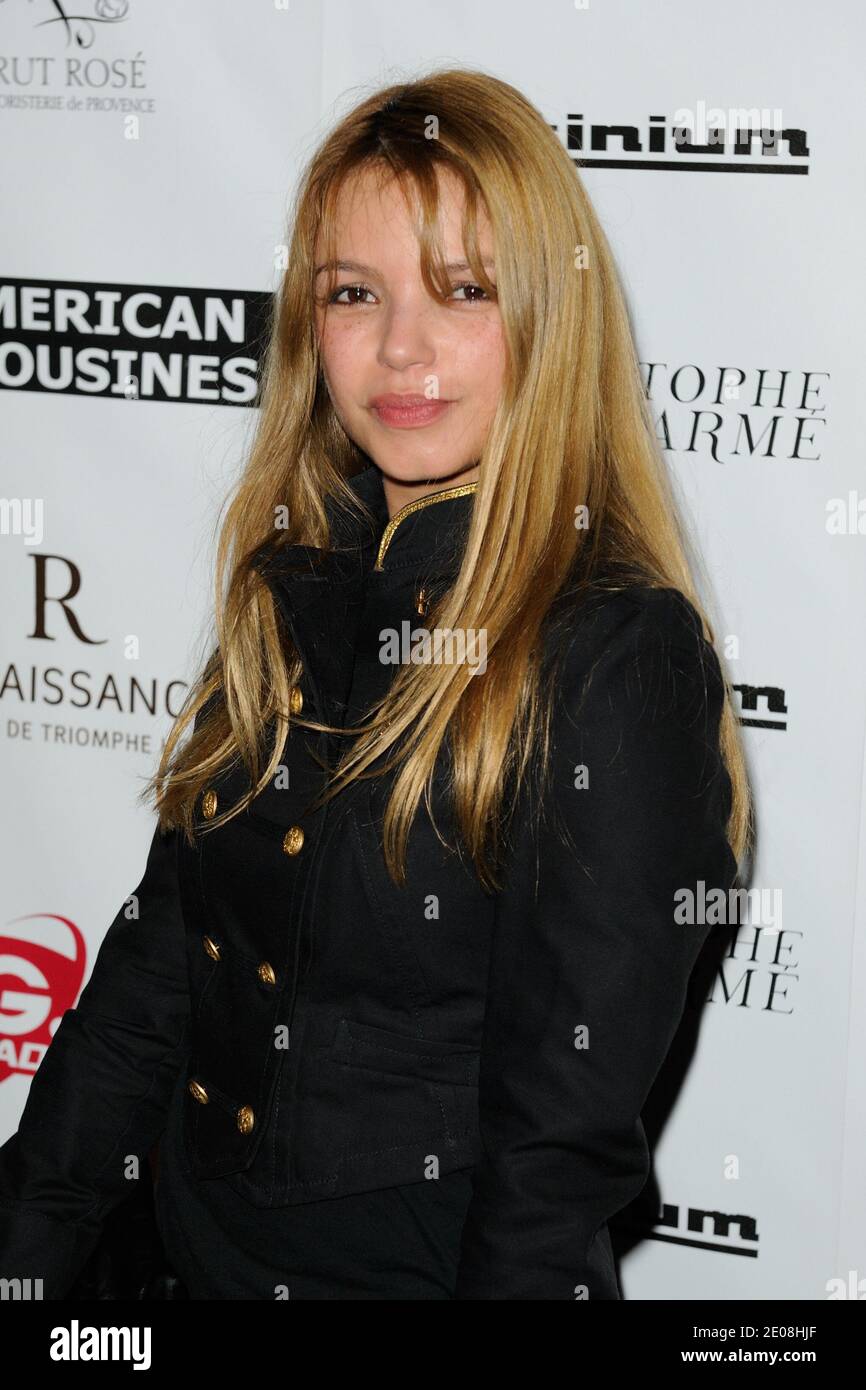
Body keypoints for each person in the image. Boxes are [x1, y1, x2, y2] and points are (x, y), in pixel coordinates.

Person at [0, 67, 751, 1300]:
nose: (400, 347)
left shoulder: (616, 657)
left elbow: (549, 1162)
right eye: (355, 293)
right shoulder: (292, 590)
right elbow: (151, 983)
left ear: (548, 320)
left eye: (463, 290)